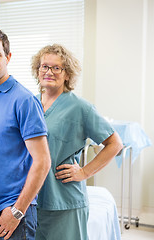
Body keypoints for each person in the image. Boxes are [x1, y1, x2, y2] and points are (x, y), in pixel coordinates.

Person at [0, 25, 51, 240]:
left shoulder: (24, 100)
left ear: (8, 57)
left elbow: (42, 161)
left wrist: (17, 211)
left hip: (12, 210)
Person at [31, 44, 123, 240]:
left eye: (57, 68)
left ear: (67, 74)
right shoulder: (29, 103)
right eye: (44, 66)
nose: (49, 72)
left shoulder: (80, 107)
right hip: (31, 199)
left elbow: (115, 144)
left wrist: (84, 172)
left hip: (65, 201)